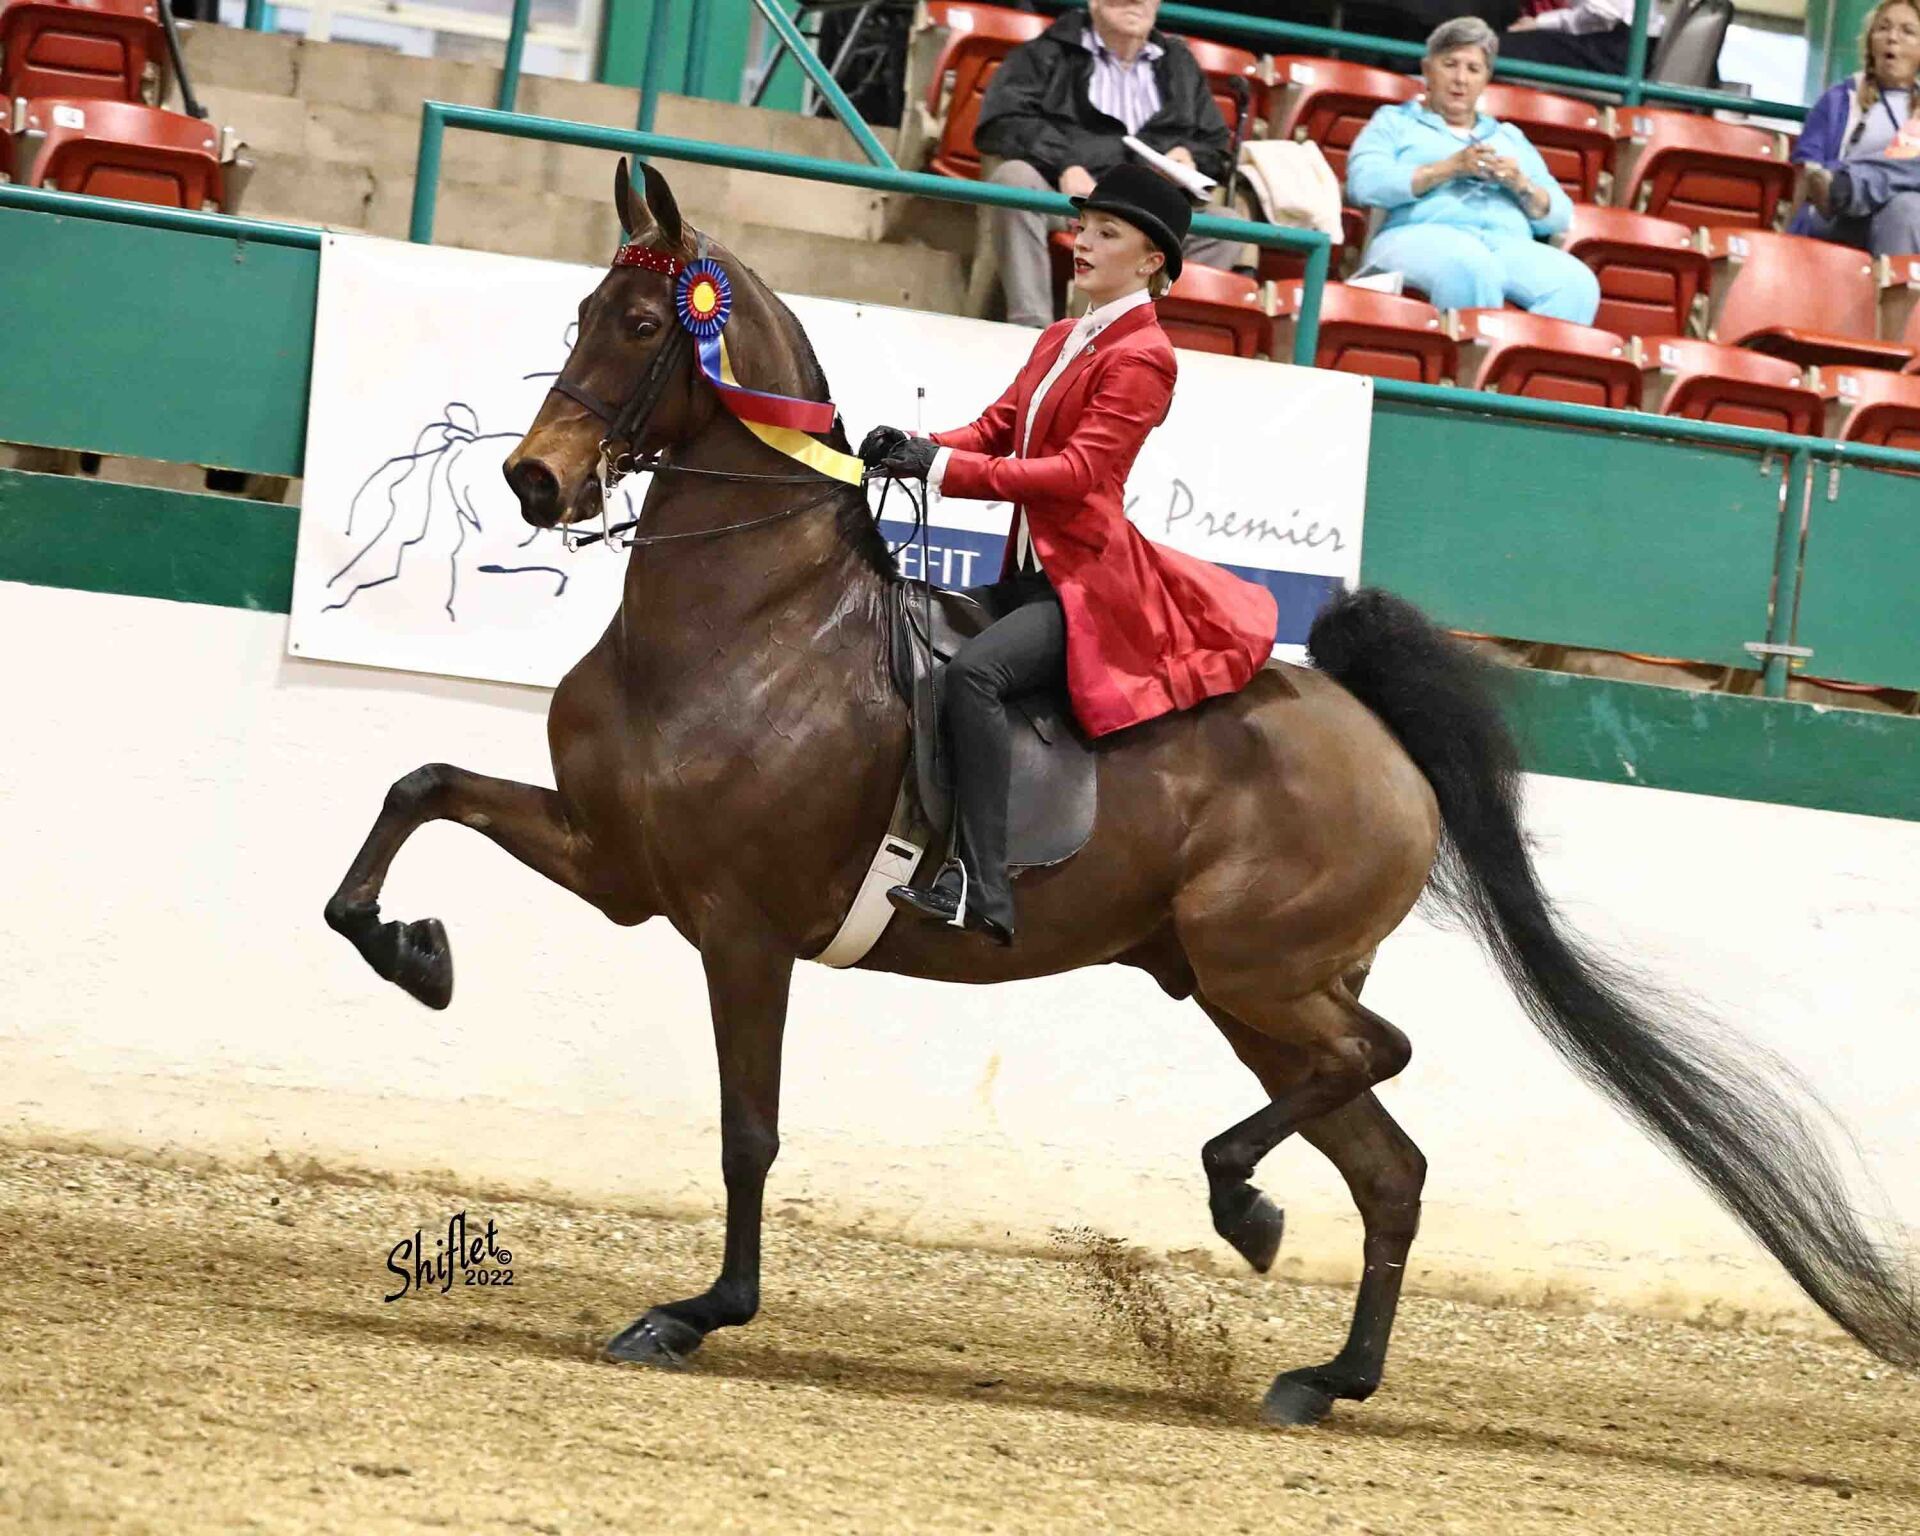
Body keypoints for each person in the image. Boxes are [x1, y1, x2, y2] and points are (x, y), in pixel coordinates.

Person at [858, 165, 1279, 945]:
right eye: (1084, 227)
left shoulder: (1145, 356)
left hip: (1084, 584)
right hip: (1024, 574)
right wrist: (919, 445)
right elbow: (996, 427)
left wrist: (942, 471)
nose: (1082, 241)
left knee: (976, 677)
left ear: (1152, 261)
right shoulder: (1063, 335)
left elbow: (1080, 474)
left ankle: (981, 886)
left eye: (1106, 234)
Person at [973, 0, 1240, 327]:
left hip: (1148, 210)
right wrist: (1064, 164)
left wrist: (1190, 157)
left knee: (1227, 226)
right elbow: (1002, 123)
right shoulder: (1047, 51)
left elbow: (1215, 145)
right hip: (1069, 201)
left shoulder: (1180, 64)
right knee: (1013, 179)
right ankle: (1032, 328)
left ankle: (1132, 333)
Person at [1345, 17, 1599, 322]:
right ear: (1427, 70)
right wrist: (1447, 169)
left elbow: (1560, 215)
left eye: (1473, 69)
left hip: (1506, 245)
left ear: (1486, 79)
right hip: (1419, 236)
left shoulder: (1508, 137)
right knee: (1472, 267)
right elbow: (1363, 182)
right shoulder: (1395, 122)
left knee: (1576, 284)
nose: (1460, 79)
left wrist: (1521, 185)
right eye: (1450, 64)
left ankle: (1527, 370)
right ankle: (1470, 368)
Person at [1793, 0, 1920, 257]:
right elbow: (1806, 172)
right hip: (1840, 220)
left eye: (1907, 31)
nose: (1892, 38)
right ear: (1871, 40)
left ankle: (1849, 185)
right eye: (1883, 28)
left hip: (1901, 219)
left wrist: (1843, 181)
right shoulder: (1840, 99)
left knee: (1904, 208)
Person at [1500, 0, 1665, 78]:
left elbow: (1601, 14)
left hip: (1614, 49)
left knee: (1497, 50)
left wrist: (1540, 23)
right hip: (1623, 46)